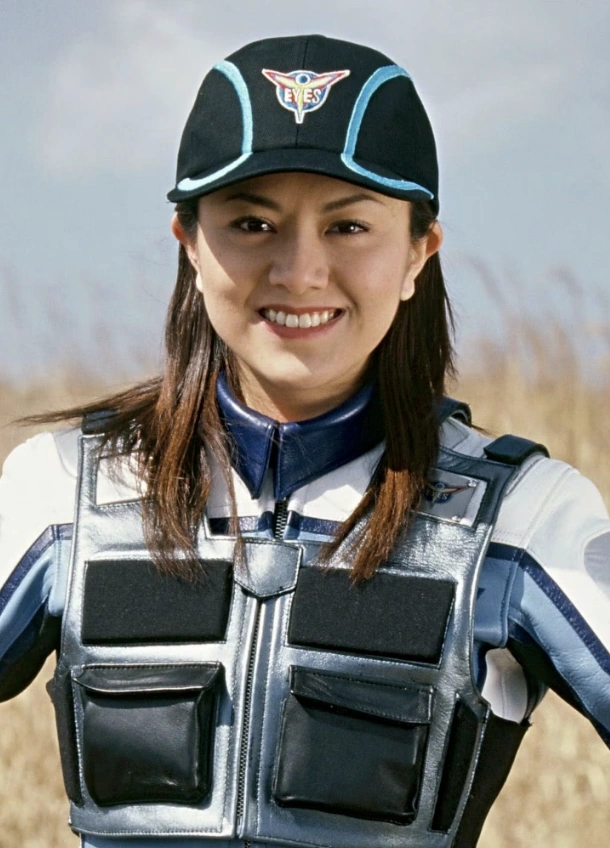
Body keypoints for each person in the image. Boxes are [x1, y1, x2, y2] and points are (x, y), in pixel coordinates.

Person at [0, 33, 608, 848]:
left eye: (348, 226)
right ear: (189, 243)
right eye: (252, 223)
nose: (299, 271)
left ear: (418, 253)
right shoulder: (60, 490)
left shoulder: (527, 516)